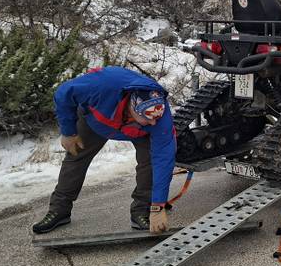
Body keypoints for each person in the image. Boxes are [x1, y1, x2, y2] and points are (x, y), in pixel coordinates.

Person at [32, 66, 176, 234]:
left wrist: (158, 206)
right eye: (148, 117)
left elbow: (164, 161)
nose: (153, 123)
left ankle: (141, 211)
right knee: (75, 158)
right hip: (95, 122)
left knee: (151, 162)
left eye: (156, 118)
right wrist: (68, 132)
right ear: (133, 107)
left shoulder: (158, 117)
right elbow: (64, 93)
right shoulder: (102, 85)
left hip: (137, 132)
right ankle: (59, 210)